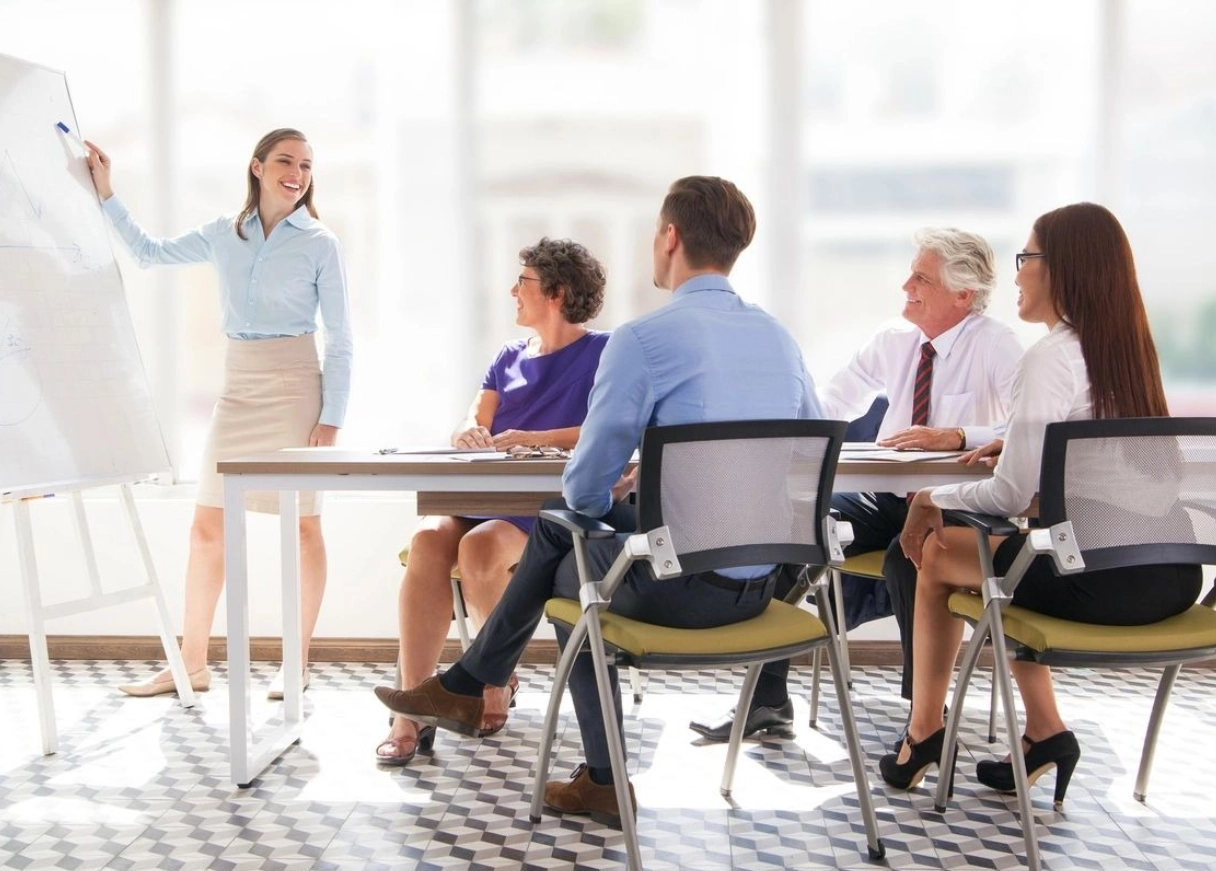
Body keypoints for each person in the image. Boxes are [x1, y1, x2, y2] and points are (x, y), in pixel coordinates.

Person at [375, 175, 822, 827]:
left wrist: (622, 482)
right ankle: (483, 691)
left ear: (670, 237)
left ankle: (515, 712)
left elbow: (584, 489)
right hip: (763, 588)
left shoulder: (643, 339)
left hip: (678, 588)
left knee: (568, 546)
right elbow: (804, 460)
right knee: (567, 544)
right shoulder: (779, 340)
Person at [878, 202, 1202, 801]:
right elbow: (1099, 469)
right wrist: (1028, 446)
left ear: (1063, 268)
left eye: (1027, 257)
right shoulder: (1128, 350)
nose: (1018, 273)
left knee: (934, 550)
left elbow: (1009, 493)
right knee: (1010, 561)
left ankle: (923, 734)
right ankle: (1045, 732)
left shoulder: (1051, 356)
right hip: (1173, 576)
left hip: (1099, 582)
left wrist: (929, 495)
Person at [689, 228, 1023, 743]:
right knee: (792, 527)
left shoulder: (997, 345)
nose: (905, 284)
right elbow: (830, 406)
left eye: (921, 278)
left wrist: (958, 435)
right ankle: (767, 701)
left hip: (958, 506)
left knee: (914, 555)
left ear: (963, 294)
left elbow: (1029, 430)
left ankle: (924, 723)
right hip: (889, 500)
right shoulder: (894, 340)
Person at [87, 129, 353, 699]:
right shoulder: (222, 234)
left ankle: (297, 664)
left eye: (306, 165)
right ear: (257, 167)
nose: (297, 173)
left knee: (303, 528)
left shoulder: (320, 243)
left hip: (296, 387)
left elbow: (342, 338)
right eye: (285, 161)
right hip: (238, 388)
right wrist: (107, 194)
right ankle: (191, 663)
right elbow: (148, 254)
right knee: (206, 527)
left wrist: (332, 414)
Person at [377, 238, 610, 766]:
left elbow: (609, 427)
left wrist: (539, 437)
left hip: (542, 507)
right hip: (480, 492)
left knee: (481, 548)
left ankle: (492, 676)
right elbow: (473, 416)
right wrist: (469, 433)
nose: (512, 291)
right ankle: (410, 709)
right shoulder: (508, 355)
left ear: (557, 292)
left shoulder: (603, 352)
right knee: (428, 541)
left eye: (523, 281)